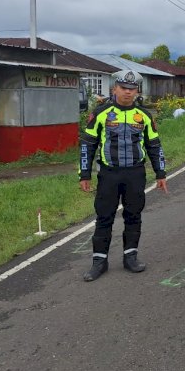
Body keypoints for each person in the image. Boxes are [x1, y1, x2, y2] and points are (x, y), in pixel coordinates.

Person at [78, 70, 168, 282]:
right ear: (114, 89)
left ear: (137, 91)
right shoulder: (101, 112)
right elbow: (88, 144)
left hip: (135, 173)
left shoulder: (145, 115)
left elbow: (154, 145)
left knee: (133, 215)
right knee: (104, 216)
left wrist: (160, 173)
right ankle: (99, 261)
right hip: (108, 173)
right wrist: (84, 174)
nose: (127, 93)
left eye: (132, 89)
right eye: (123, 88)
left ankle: (130, 257)